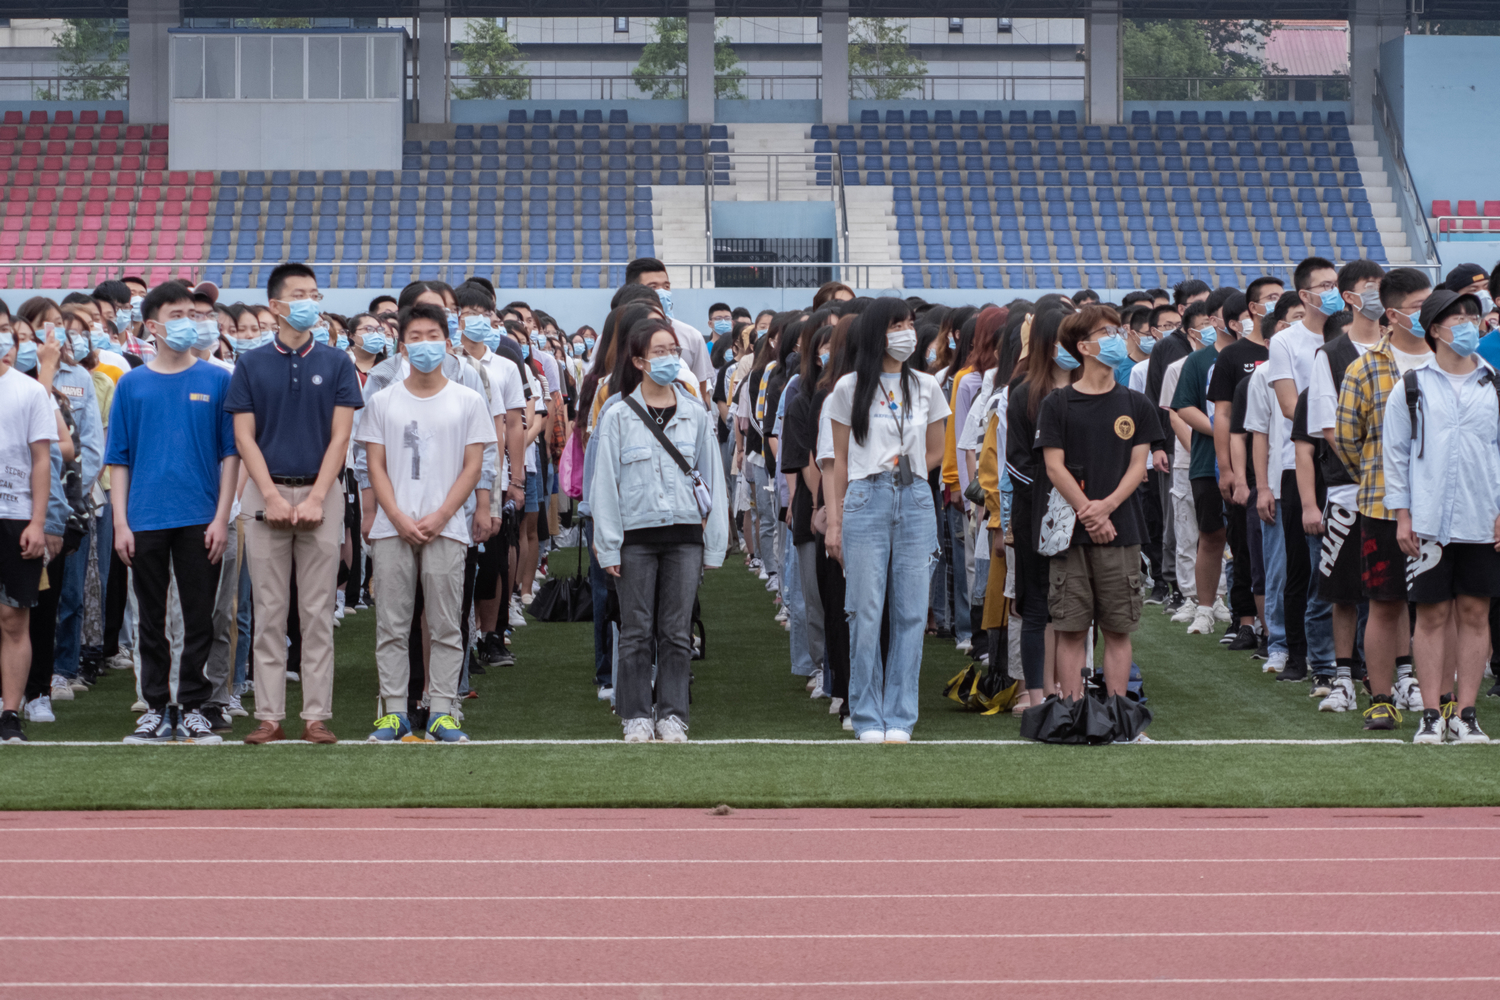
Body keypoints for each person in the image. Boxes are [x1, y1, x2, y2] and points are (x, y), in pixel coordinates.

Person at [226, 263, 364, 745]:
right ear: (277, 306)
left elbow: (341, 436)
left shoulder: (337, 362)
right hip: (264, 494)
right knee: (267, 609)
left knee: (317, 611)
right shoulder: (251, 363)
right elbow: (244, 436)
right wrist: (268, 494)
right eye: (300, 293)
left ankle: (315, 715)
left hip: (320, 492)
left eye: (315, 292)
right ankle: (268, 714)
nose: (311, 300)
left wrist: (318, 496)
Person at [106, 282, 239, 744]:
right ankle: (156, 706)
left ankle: (195, 705)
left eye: (194, 313)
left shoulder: (218, 379)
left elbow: (230, 456)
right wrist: (121, 522)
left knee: (200, 615)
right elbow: (118, 459)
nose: (190, 321)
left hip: (200, 517)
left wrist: (221, 517)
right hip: (144, 518)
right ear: (153, 325)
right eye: (177, 313)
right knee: (151, 618)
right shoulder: (131, 384)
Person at [358, 303, 496, 743]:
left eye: (432, 336)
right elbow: (373, 464)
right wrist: (395, 515)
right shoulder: (382, 400)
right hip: (391, 527)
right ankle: (393, 711)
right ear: (402, 347)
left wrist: (440, 515)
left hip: (447, 527)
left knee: (445, 624)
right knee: (392, 624)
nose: (424, 345)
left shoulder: (468, 399)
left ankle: (442, 711)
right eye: (415, 337)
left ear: (448, 342)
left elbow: (473, 465)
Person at [589, 317, 727, 743]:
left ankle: (672, 713)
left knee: (676, 631)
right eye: (660, 351)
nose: (670, 358)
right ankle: (635, 714)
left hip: (684, 536)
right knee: (634, 630)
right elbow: (605, 487)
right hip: (635, 539)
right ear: (639, 361)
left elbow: (714, 480)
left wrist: (715, 542)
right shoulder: (617, 415)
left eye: (674, 350)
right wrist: (608, 545)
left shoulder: (696, 414)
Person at [824, 298, 948, 744]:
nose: (906, 332)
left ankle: (900, 715)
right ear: (877, 332)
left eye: (909, 324)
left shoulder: (928, 386)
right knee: (864, 610)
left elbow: (936, 449)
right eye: (896, 324)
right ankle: (865, 713)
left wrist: (910, 467)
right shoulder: (849, 388)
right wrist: (834, 521)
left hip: (914, 495)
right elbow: (838, 459)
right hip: (864, 494)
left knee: (912, 611)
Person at [1382, 288, 1495, 744]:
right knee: (1429, 615)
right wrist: (1403, 516)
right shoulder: (1412, 385)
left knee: (1474, 612)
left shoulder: (1495, 383)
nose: (1469, 324)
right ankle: (1432, 713)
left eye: (1474, 315)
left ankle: (1466, 713)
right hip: (1427, 520)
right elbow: (1396, 455)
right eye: (1458, 317)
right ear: (1434, 328)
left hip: (1482, 517)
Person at [1039, 306, 1159, 706]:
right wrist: (1089, 513)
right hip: (1070, 536)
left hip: (1122, 531)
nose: (1117, 338)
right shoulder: (1058, 404)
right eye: (1106, 332)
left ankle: (1120, 711)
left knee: (1118, 628)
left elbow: (1138, 465)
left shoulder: (1136, 403)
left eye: (1117, 330)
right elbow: (1053, 466)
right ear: (1085, 346)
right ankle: (1072, 710)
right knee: (1071, 628)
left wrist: (1105, 507)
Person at [1335, 267, 1434, 731]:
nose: (1432, 315)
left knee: (1444, 604)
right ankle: (1380, 697)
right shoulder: (1365, 367)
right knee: (1385, 602)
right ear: (1393, 314)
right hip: (1381, 506)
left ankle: (1441, 699)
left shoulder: (1450, 362)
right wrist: (1379, 482)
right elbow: (1348, 441)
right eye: (1419, 307)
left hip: (1444, 505)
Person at [1306, 259, 1387, 708]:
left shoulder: (1400, 349)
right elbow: (1330, 430)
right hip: (1347, 491)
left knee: (1390, 590)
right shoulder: (1331, 355)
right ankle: (1342, 677)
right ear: (1351, 297)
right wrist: (1368, 472)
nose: (1380, 295)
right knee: (1343, 590)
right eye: (1372, 288)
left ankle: (1400, 676)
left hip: (1395, 495)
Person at [0, 308, 58, 743]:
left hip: (16, 514)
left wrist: (38, 521)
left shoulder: (30, 391)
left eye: (4, 330)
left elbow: (43, 459)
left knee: (12, 620)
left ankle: (10, 713)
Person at [1170, 299, 1231, 635]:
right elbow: (1183, 407)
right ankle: (1205, 606)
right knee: (1210, 535)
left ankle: (1244, 613)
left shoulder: (1262, 355)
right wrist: (1225, 430)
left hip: (1253, 462)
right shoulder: (1197, 360)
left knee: (1251, 541)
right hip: (1208, 461)